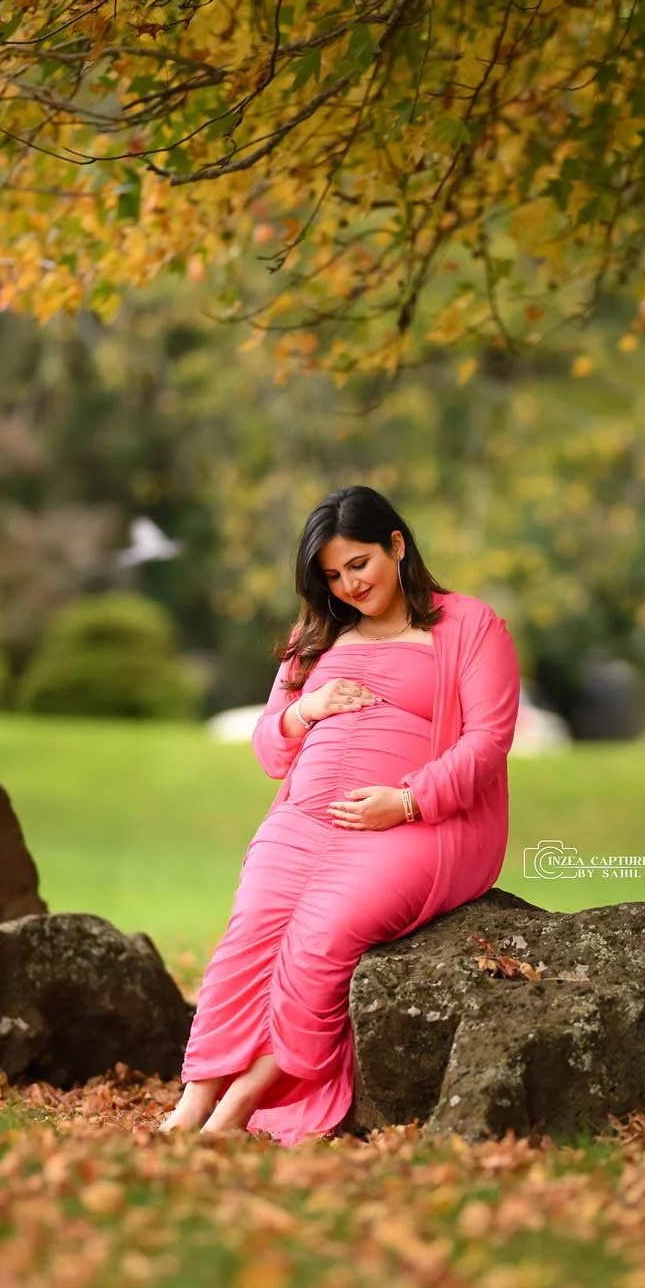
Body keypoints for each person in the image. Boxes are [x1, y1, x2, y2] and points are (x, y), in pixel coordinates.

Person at [159, 485, 521, 1142]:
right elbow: (271, 743)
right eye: (332, 575)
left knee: (320, 937)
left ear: (396, 545)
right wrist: (308, 707)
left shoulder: (469, 626)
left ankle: (238, 1107)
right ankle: (192, 1104)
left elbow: (489, 741)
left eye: (359, 564)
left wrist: (408, 800)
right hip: (301, 820)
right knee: (249, 935)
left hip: (419, 823)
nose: (348, 585)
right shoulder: (317, 631)